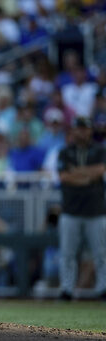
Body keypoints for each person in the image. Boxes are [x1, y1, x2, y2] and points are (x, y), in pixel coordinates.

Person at [57, 117, 106, 300]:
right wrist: (87, 177)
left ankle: (103, 289)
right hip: (71, 210)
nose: (82, 132)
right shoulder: (65, 152)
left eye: (85, 128)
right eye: (79, 128)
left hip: (96, 210)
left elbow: (100, 170)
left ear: (90, 131)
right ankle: (66, 290)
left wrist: (76, 172)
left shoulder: (99, 150)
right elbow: (64, 177)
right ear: (74, 130)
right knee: (67, 254)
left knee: (101, 254)